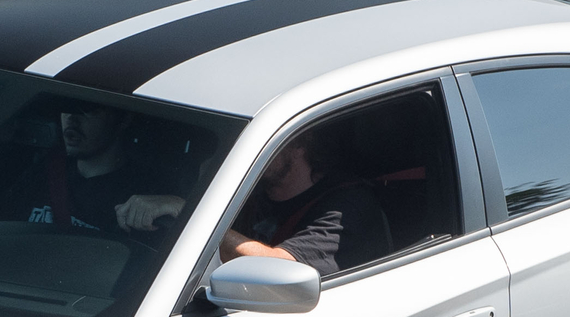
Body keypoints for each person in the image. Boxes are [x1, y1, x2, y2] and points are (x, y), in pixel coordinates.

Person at [221, 133, 390, 275]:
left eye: (260, 142)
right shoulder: (244, 193)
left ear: (298, 146)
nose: (246, 153)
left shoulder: (347, 208)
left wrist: (208, 232)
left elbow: (279, 271)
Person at [27, 107, 190, 238]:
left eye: (88, 111)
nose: (71, 119)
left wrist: (179, 206)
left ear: (123, 120)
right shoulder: (41, 173)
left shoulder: (149, 192)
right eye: (66, 107)